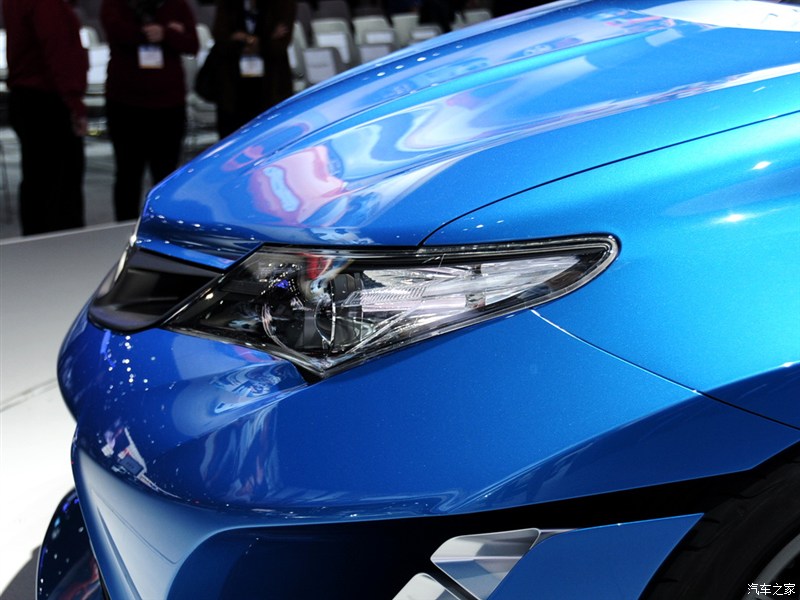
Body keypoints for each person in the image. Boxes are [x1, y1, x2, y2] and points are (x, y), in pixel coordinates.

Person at [101, 0, 199, 221]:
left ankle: (162, 227)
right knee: (128, 174)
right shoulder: (116, 5)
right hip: (126, 104)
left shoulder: (176, 5)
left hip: (168, 105)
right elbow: (117, 32)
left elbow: (192, 44)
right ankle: (124, 226)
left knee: (166, 175)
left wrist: (166, 33)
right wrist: (157, 32)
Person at [3, 0, 89, 236]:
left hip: (31, 97)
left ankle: (38, 245)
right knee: (59, 190)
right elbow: (58, 50)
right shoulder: (46, 4)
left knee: (38, 182)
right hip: (48, 100)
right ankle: (61, 249)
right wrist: (74, 102)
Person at [211, 0, 296, 138]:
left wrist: (245, 39)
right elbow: (221, 37)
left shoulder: (282, 4)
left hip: (270, 86)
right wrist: (262, 39)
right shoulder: (228, 4)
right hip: (233, 88)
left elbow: (279, 44)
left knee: (268, 136)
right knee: (232, 136)